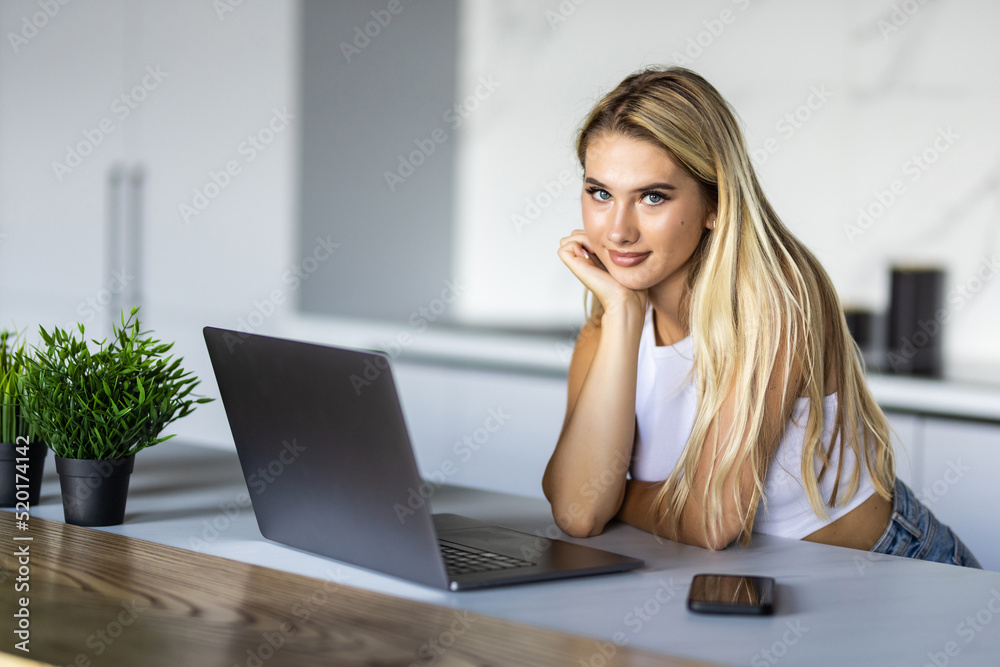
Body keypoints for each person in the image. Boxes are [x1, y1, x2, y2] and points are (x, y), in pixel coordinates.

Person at [541, 66, 980, 568]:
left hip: (895, 572)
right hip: (756, 583)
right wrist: (621, 314)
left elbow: (710, 521)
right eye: (600, 193)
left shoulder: (773, 295)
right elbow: (577, 511)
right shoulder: (613, 305)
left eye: (652, 197)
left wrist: (618, 497)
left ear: (716, 202)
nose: (617, 231)